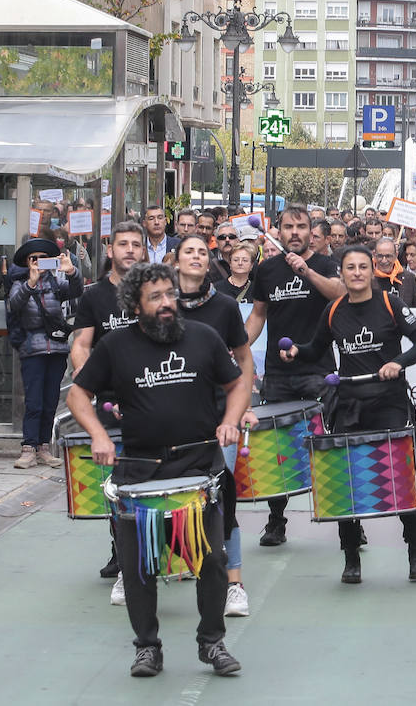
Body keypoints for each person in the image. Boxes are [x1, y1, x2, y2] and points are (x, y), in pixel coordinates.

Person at [67, 262, 249, 678]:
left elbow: (237, 383)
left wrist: (230, 420)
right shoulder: (115, 346)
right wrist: (98, 434)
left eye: (170, 294)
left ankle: (212, 642)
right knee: (137, 568)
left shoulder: (204, 338)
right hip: (140, 476)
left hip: (199, 469)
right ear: (135, 305)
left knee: (213, 560)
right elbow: (79, 394)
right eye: (156, 297)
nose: (168, 303)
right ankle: (147, 646)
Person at [281, 245, 416, 583]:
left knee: (401, 479)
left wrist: (398, 363)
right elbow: (314, 350)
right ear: (343, 274)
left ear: (371, 270)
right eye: (351, 267)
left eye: (363, 266)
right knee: (344, 481)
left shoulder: (392, 304)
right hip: (347, 405)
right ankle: (350, 557)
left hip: (390, 404)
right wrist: (295, 352)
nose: (358, 273)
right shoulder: (333, 310)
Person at [245, 207, 345, 545]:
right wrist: (239, 346)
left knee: (328, 447)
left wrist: (307, 273)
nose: (295, 232)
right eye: (288, 227)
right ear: (279, 230)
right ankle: (276, 521)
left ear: (310, 232)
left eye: (301, 227)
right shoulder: (267, 270)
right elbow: (258, 315)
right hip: (278, 374)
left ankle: (349, 523)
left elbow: (339, 295)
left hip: (319, 372)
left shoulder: (325, 265)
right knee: (279, 452)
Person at [174, 235, 257, 617]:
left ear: (210, 262)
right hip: (174, 418)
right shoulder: (161, 305)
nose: (195, 257)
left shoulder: (224, 307)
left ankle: (234, 582)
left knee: (220, 499)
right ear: (175, 261)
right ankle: (166, 566)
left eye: (201, 253)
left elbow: (244, 361)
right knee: (172, 498)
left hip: (219, 418)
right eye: (188, 251)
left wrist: (240, 411)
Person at [70, 221, 145, 587]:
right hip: (110, 405)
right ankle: (122, 549)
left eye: (136, 244)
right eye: (122, 244)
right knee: (116, 483)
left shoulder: (156, 291)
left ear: (144, 252)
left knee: (153, 478)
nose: (129, 250)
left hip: (153, 400)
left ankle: (159, 548)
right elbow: (81, 344)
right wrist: (88, 379)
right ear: (110, 250)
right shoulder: (94, 296)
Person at [7, 239, 82, 469]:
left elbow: (76, 290)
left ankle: (44, 448)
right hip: (33, 349)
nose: (38, 263)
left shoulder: (56, 282)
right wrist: (30, 282)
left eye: (43, 258)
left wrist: (72, 272)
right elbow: (15, 305)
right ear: (27, 262)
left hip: (57, 349)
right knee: (34, 401)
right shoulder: (19, 284)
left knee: (50, 401)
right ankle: (28, 447)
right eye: (33, 259)